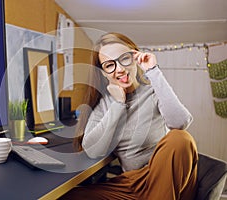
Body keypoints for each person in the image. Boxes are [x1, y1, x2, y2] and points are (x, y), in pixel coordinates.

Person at [60, 32, 198, 200]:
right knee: (69, 196)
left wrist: (153, 71)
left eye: (124, 58)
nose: (120, 69)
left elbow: (181, 122)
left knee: (180, 137)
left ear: (135, 57)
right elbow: (93, 150)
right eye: (109, 65)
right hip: (132, 184)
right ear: (103, 72)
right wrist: (118, 104)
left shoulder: (153, 91)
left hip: (166, 178)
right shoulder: (105, 104)